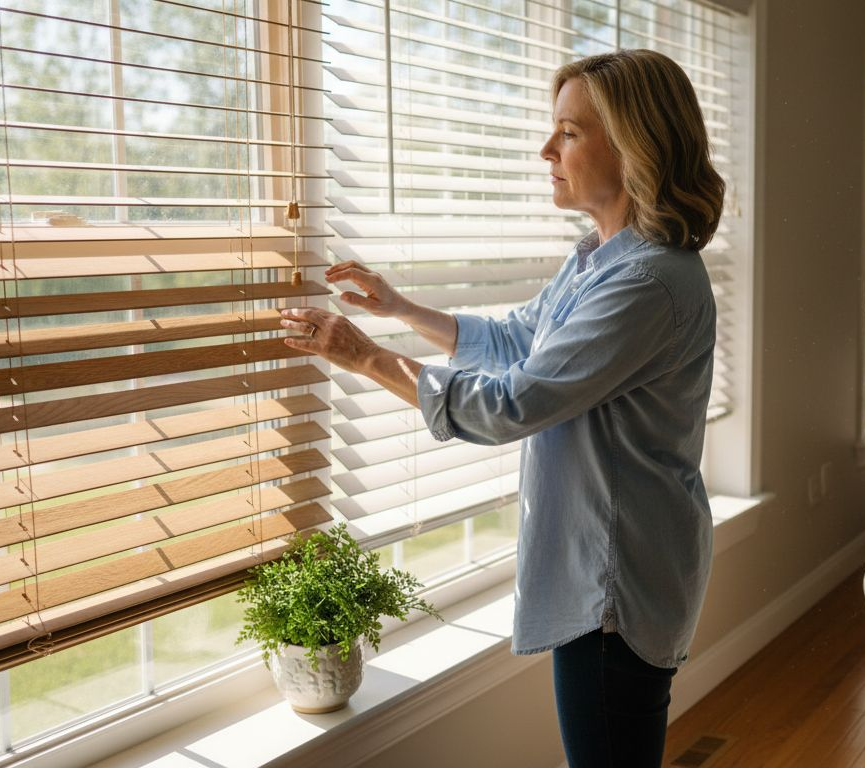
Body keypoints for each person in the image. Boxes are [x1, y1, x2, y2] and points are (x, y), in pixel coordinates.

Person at [280, 49, 724, 767]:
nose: (546, 149)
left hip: (615, 586)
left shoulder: (646, 283)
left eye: (569, 133)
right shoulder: (602, 256)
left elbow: (513, 403)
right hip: (611, 568)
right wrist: (400, 308)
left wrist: (366, 356)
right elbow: (522, 339)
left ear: (634, 142)